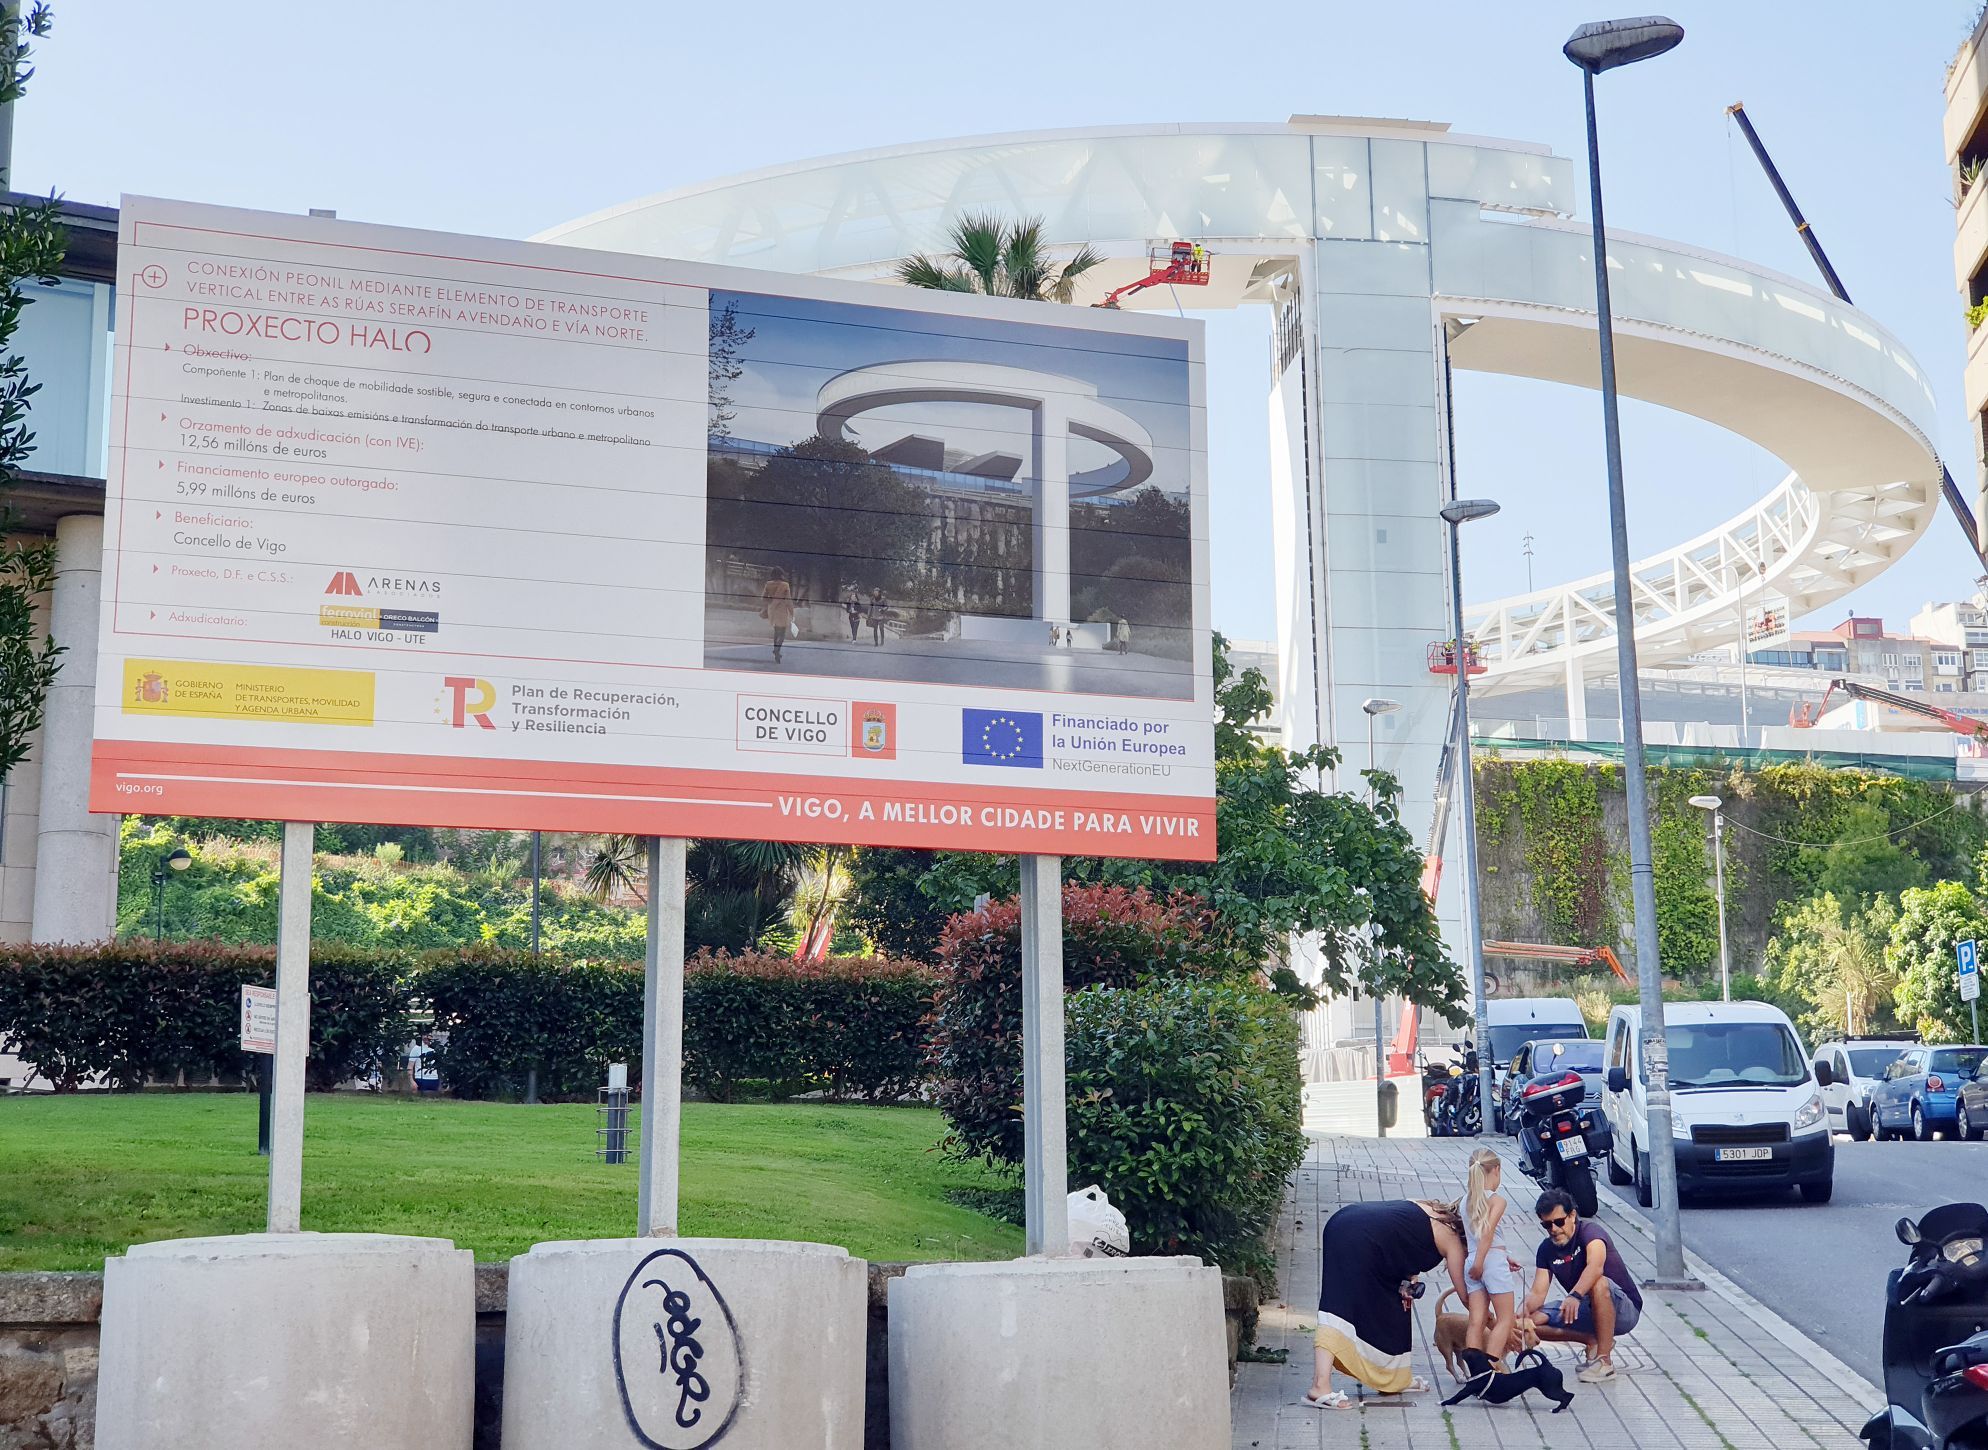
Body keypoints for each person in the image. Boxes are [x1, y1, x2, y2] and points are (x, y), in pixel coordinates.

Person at [1306, 1198, 1467, 1409]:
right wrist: (1500, 1323)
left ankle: (1394, 1379)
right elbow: (1465, 1294)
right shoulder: (1452, 1240)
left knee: (1396, 1305)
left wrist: (1410, 1278)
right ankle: (1320, 1386)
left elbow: (1399, 1236)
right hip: (1357, 1239)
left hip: (1345, 1221)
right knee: (1338, 1308)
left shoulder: (1431, 1209)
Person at [1522, 1187, 1642, 1383]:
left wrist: (1574, 1296)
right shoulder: (1546, 1249)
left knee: (1598, 1283)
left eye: (1559, 1222)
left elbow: (1595, 1267)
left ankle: (1604, 1362)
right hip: (1585, 1307)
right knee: (1531, 1322)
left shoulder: (1591, 1232)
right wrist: (1520, 1316)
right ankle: (1591, 1341)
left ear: (1572, 1216)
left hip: (1623, 1309)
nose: (1554, 1229)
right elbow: (1537, 1292)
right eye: (1547, 1225)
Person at [1461, 1148, 1521, 1366]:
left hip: (1473, 1261)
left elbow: (1477, 1238)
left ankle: (1475, 1374)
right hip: (1491, 1262)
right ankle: (1491, 1370)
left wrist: (1477, 1264)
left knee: (1476, 1321)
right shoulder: (1497, 1201)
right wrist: (1484, 1263)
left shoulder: (1464, 1201)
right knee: (1505, 1320)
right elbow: (1487, 1233)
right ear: (1496, 1169)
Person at [760, 567, 794, 662]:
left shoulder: (768, 584)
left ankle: (776, 649)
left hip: (772, 610)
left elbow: (763, 598)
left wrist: (771, 602)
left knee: (776, 631)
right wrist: (792, 611)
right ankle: (777, 650)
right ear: (781, 574)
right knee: (782, 632)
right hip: (782, 610)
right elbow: (788, 600)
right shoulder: (785, 585)